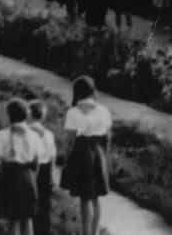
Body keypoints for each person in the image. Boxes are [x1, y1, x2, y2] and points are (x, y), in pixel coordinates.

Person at [60, 76, 112, 235]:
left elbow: (69, 140)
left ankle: (86, 232)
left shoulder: (73, 112)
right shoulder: (103, 110)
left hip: (81, 153)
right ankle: (94, 232)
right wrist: (104, 155)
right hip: (98, 152)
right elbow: (108, 136)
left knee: (84, 197)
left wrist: (67, 160)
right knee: (95, 197)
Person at [0, 99, 43, 235]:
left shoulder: (2, 135)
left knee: (12, 220)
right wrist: (32, 178)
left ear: (9, 116)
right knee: (26, 219)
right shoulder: (33, 136)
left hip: (7, 175)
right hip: (27, 175)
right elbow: (37, 161)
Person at [28, 101, 58, 235]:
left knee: (29, 204)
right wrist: (52, 175)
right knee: (44, 206)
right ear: (43, 116)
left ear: (28, 114)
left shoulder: (26, 133)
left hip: (30, 170)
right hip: (45, 172)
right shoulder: (48, 134)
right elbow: (52, 156)